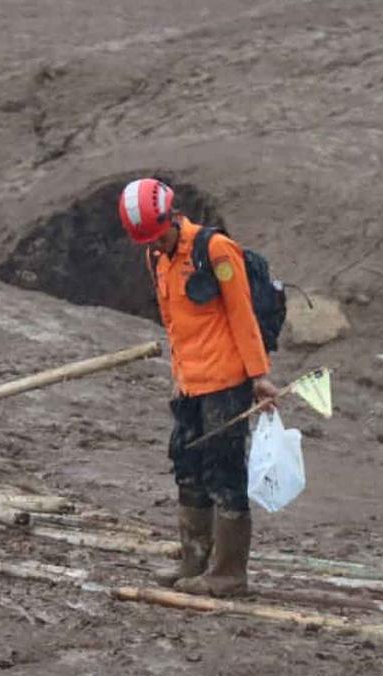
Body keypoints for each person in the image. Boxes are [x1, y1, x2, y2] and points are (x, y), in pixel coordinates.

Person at [118, 177, 279, 597]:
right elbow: (174, 323)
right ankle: (194, 560)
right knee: (187, 466)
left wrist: (259, 375)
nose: (155, 244)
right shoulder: (157, 257)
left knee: (224, 471)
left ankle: (228, 573)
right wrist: (179, 376)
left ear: (173, 215)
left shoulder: (215, 250)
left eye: (159, 235)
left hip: (227, 381)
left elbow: (241, 312)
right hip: (189, 384)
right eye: (148, 240)